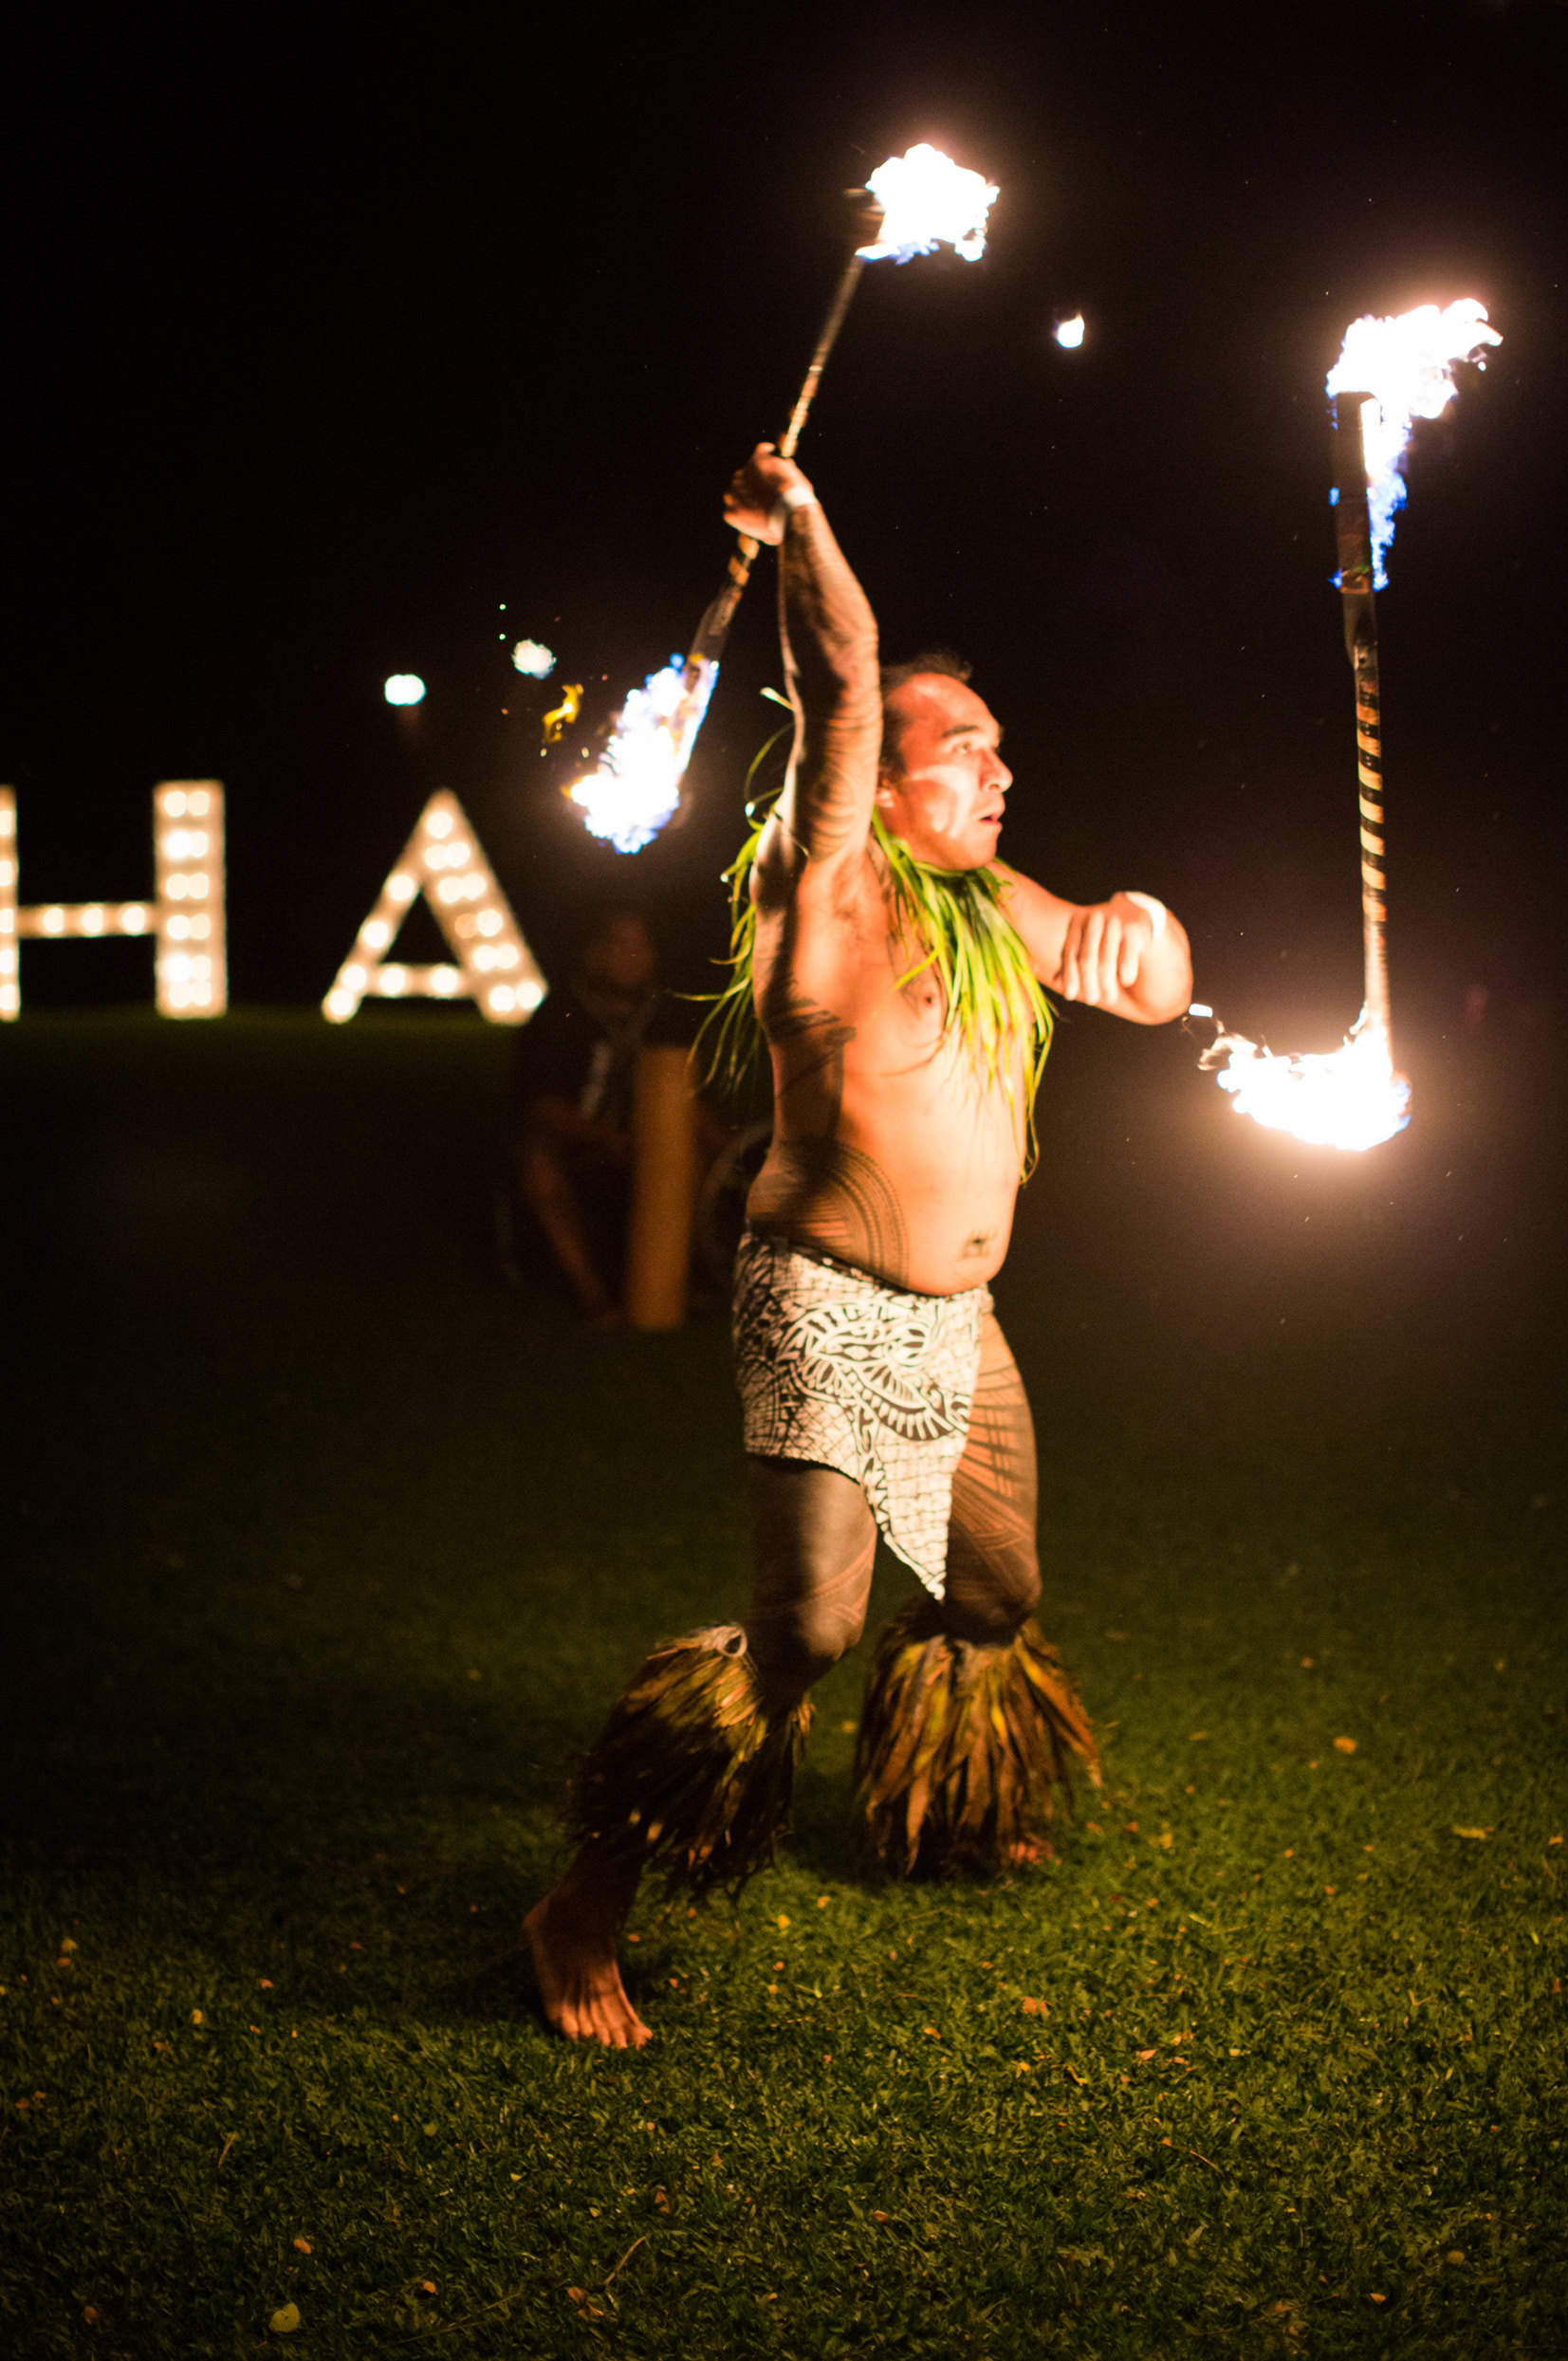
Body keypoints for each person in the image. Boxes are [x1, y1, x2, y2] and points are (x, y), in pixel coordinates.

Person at [526, 444, 1193, 2045]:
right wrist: (804, 524)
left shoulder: (992, 898)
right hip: (823, 1297)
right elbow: (839, 671)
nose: (999, 767)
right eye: (962, 747)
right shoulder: (822, 883)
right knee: (807, 1627)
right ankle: (582, 1904)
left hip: (966, 1317)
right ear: (878, 781)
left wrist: (1145, 938)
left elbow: (1139, 984)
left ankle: (941, 1805)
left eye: (1000, 744)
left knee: (998, 1588)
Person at [505, 904, 692, 1325]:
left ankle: (681, 1282)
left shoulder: (663, 1013)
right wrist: (609, 1138)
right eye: (618, 945)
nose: (630, 957)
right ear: (592, 953)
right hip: (579, 1144)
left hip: (649, 1146)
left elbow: (686, 1097)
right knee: (538, 1163)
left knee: (697, 1158)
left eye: (640, 946)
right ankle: (590, 1293)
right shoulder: (560, 1014)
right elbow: (542, 1106)